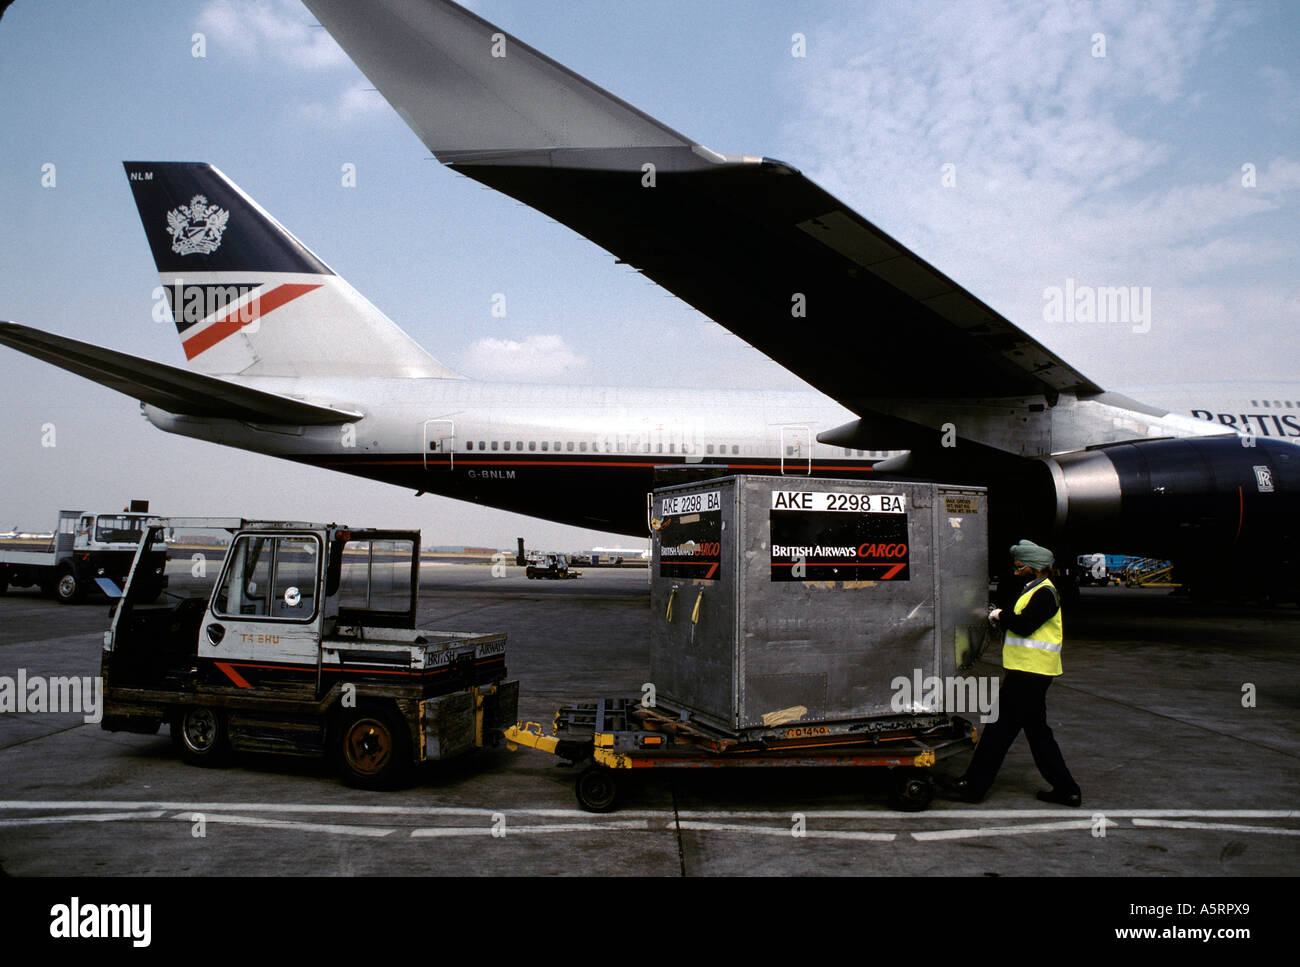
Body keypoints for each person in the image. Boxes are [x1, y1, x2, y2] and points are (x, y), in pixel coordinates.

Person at [944, 539, 1082, 806]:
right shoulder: (1033, 589)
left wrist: (999, 616)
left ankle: (973, 786)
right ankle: (1067, 789)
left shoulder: (1045, 592)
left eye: (1021, 567)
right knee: (1038, 733)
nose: (1016, 571)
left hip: (1029, 674)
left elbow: (1026, 624)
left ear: (1036, 567)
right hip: (1030, 672)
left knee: (999, 731)